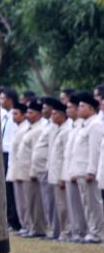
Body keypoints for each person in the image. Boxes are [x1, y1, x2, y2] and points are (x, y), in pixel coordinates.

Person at [68, 92, 104, 243]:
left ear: (91, 108)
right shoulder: (85, 125)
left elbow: (94, 149)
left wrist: (91, 171)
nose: (79, 109)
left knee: (94, 204)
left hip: (88, 172)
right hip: (80, 171)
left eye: (82, 106)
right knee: (86, 204)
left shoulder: (95, 125)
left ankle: (97, 233)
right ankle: (91, 231)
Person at [29, 98, 59, 239]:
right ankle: (52, 229)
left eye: (46, 107)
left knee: (51, 203)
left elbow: (52, 150)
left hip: (47, 169)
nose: (43, 110)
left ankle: (55, 230)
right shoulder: (47, 124)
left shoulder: (53, 126)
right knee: (47, 202)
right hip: (41, 169)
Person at [17, 99, 46, 237]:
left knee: (35, 203)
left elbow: (37, 153)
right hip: (24, 171)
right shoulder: (31, 128)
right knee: (28, 202)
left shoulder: (39, 130)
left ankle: (38, 229)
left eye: (31, 112)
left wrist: (34, 172)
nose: (27, 115)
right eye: (27, 112)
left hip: (31, 171)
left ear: (39, 114)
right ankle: (31, 227)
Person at [62, 93, 88, 242]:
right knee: (73, 205)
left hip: (80, 171)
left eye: (71, 107)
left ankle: (83, 232)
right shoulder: (73, 126)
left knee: (83, 205)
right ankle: (77, 231)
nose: (68, 110)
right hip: (70, 170)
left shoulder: (82, 125)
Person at [46, 97, 71, 241]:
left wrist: (62, 176)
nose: (52, 116)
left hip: (61, 174)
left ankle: (66, 232)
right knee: (57, 206)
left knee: (63, 206)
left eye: (54, 113)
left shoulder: (66, 130)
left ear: (62, 115)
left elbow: (65, 156)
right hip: (54, 173)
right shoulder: (56, 129)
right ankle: (59, 231)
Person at [6, 102, 30, 236]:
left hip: (22, 169)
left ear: (23, 115)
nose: (13, 117)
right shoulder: (18, 128)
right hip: (14, 168)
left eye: (16, 114)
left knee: (25, 201)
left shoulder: (26, 128)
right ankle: (23, 225)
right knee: (17, 200)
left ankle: (26, 224)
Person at [0, 87, 21, 231]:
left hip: (10, 154)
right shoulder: (5, 116)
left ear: (10, 100)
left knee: (11, 189)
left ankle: (15, 220)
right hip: (3, 153)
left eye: (3, 98)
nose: (0, 101)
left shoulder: (15, 116)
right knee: (5, 189)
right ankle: (8, 218)